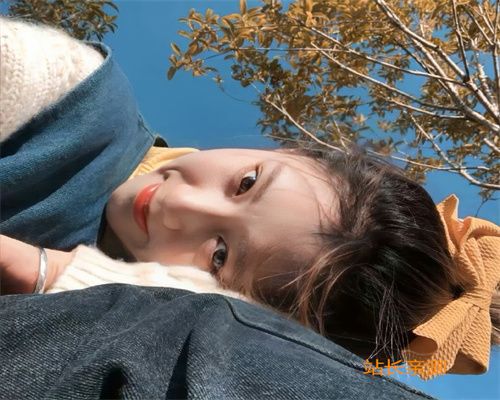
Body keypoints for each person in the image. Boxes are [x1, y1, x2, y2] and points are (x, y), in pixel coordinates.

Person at [0, 14, 498, 393]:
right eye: (246, 183)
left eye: (219, 256)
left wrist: (65, 277)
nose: (179, 206)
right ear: (294, 151)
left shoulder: (116, 347)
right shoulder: (78, 103)